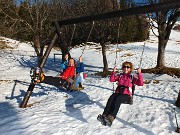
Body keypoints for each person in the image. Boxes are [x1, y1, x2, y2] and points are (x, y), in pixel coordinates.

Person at [97, 61, 144, 127]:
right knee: (112, 97)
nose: (126, 68)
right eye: (124, 67)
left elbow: (140, 83)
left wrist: (139, 74)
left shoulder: (131, 77)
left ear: (130, 69)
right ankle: (104, 115)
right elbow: (112, 79)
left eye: (128, 67)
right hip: (118, 93)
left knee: (117, 99)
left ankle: (110, 118)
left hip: (127, 96)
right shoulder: (120, 76)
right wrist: (113, 72)